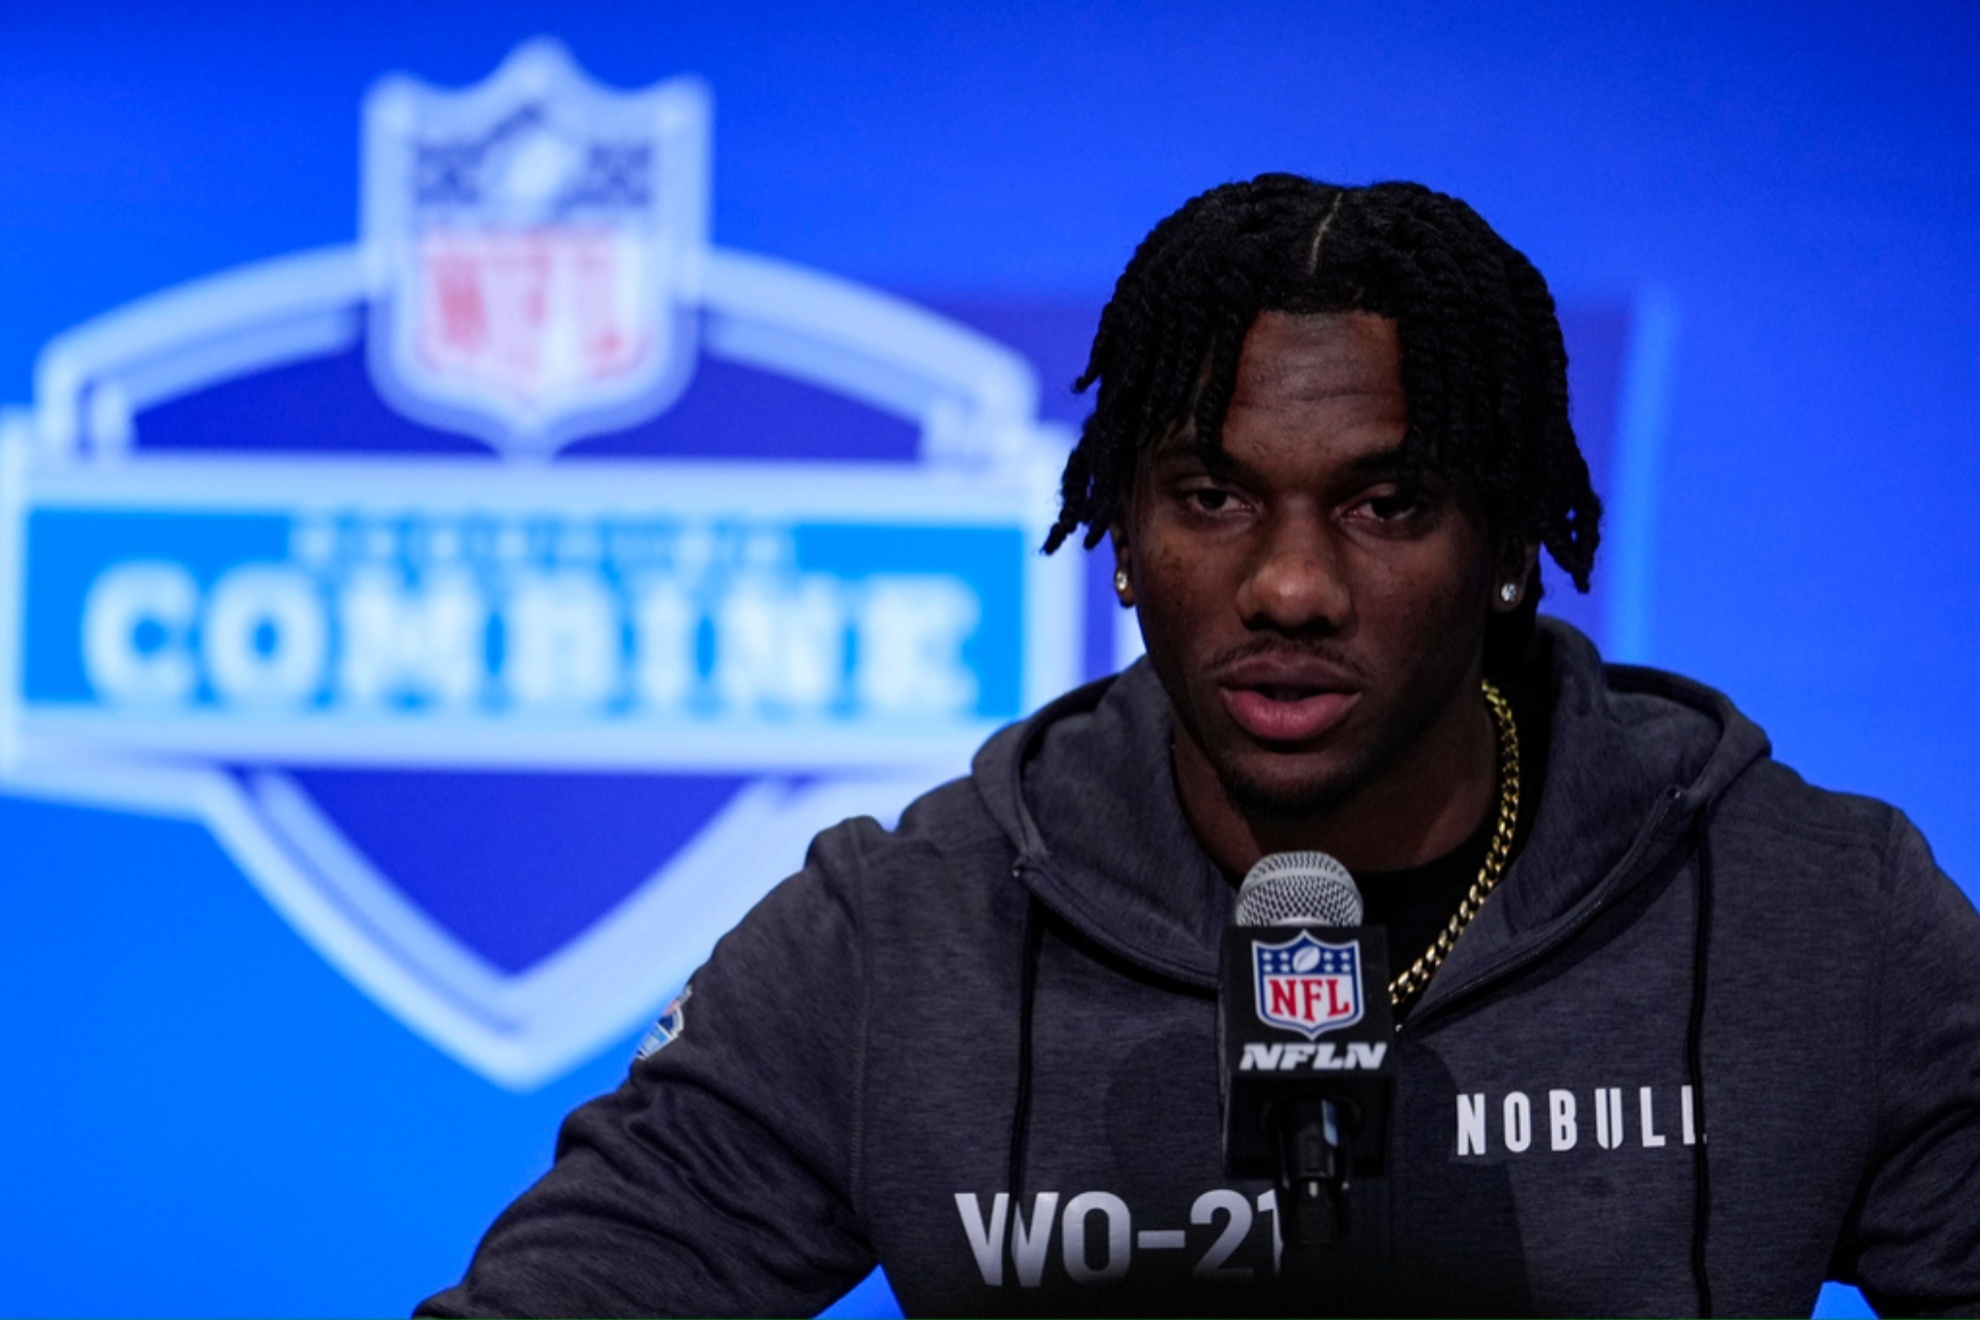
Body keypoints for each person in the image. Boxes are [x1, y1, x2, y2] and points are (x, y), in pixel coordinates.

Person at [419, 176, 1980, 1317]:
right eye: (1212, 498)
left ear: (1506, 548)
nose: (1289, 588)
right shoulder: (901, 937)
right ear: (1119, 536)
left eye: (1385, 506)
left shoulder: (1818, 916)